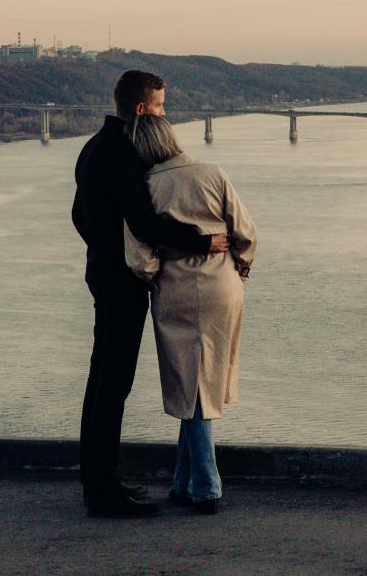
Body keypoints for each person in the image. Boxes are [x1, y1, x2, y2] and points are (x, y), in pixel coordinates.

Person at [72, 70, 229, 518]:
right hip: (121, 279)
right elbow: (143, 222)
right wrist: (203, 240)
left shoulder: (93, 146)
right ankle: (104, 494)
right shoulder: (124, 151)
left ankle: (97, 481)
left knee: (99, 379)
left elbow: (77, 214)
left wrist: (100, 248)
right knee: (113, 384)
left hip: (101, 271)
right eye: (160, 106)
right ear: (141, 109)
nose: (165, 114)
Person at [123, 114, 256, 516]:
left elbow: (138, 256)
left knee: (190, 382)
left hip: (178, 285)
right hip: (223, 284)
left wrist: (156, 273)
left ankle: (206, 486)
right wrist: (241, 266)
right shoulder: (212, 172)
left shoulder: (146, 186)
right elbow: (245, 231)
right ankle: (182, 482)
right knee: (202, 379)